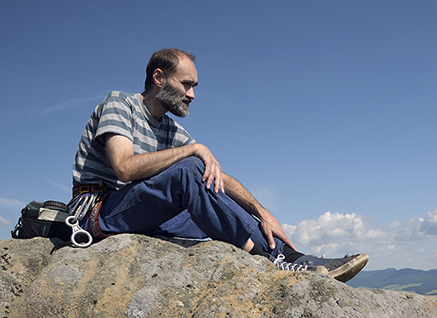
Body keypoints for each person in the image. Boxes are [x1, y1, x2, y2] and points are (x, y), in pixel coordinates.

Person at [72, 48, 368, 282]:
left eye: (194, 86)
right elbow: (124, 168)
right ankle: (275, 260)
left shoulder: (172, 131)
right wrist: (195, 150)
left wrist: (261, 211)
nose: (192, 94)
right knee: (189, 169)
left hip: (141, 212)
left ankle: (291, 256)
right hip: (99, 211)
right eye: (186, 84)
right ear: (159, 78)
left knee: (211, 202)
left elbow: (216, 178)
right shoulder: (121, 104)